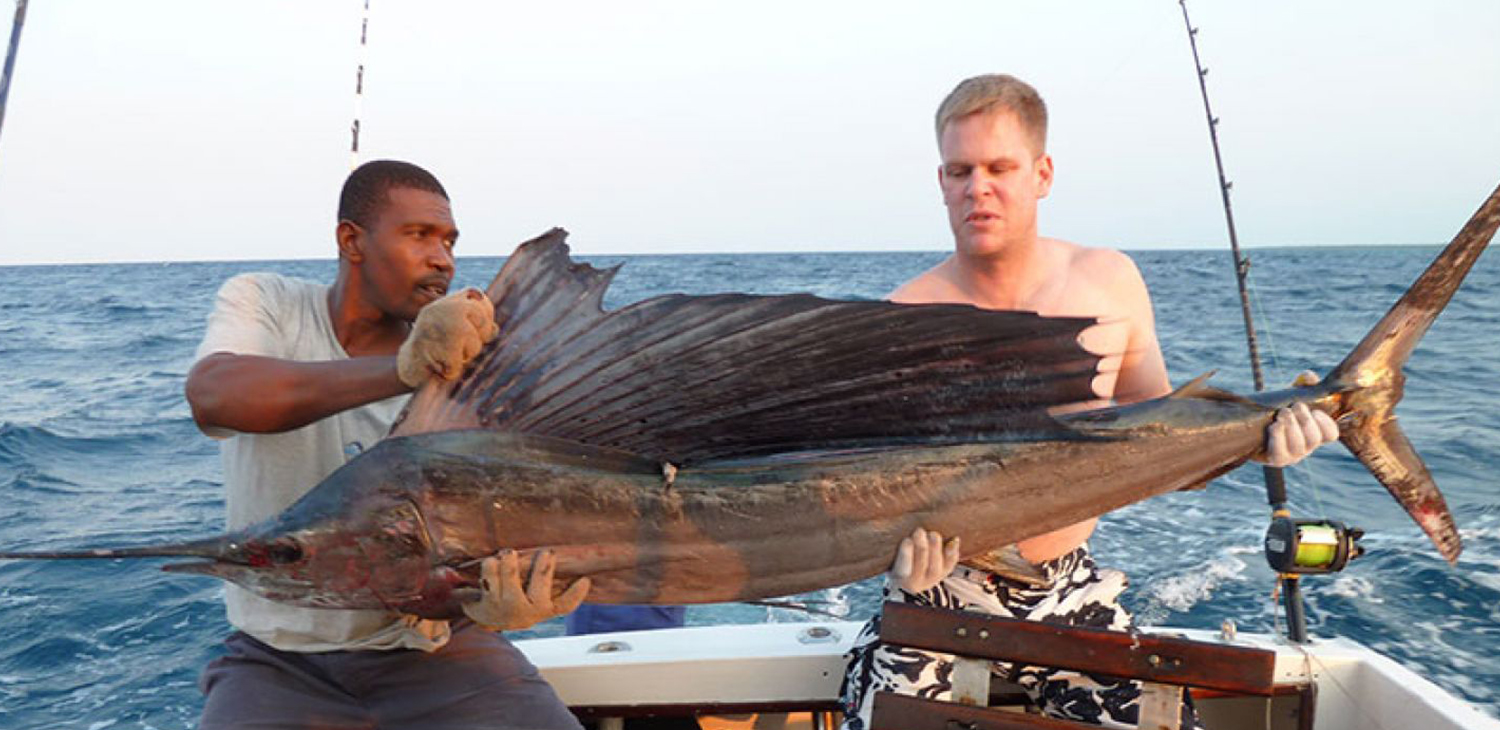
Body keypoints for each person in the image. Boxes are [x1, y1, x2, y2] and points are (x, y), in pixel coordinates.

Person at [838, 75, 1339, 729]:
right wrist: (900, 568)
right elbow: (863, 486)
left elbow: (1163, 445)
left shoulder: (1107, 282)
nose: (977, 187)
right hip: (939, 589)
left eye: (999, 167)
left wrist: (1266, 433)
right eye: (960, 170)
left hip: (1070, 588)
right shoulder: (901, 318)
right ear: (941, 181)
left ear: (1042, 173)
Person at [185, 159, 590, 729]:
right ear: (351, 240)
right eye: (419, 235)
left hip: (440, 654)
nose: (442, 259)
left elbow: (439, 577)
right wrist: (405, 368)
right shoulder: (268, 301)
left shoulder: (469, 370)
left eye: (449, 240)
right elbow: (216, 396)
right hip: (276, 662)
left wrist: (489, 600)